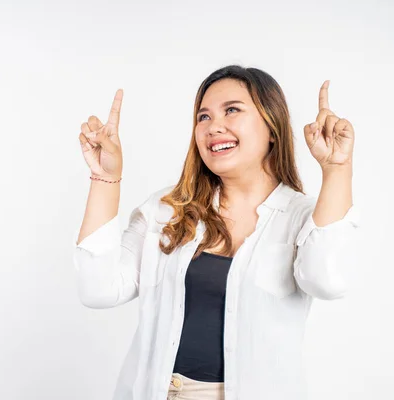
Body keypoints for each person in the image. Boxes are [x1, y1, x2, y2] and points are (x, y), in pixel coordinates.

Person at [74, 65, 360, 400]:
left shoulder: (302, 216)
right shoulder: (167, 210)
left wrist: (336, 169)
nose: (213, 127)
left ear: (272, 127)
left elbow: (326, 281)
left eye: (232, 110)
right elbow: (98, 290)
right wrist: (105, 179)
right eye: (203, 117)